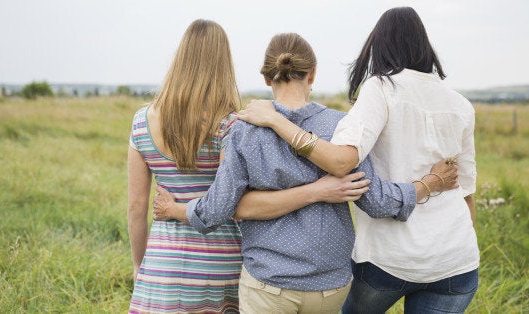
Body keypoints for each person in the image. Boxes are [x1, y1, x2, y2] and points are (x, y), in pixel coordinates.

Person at [153, 32, 459, 314]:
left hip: (267, 283)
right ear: (312, 74)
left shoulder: (243, 129)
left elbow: (218, 209)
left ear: (265, 76)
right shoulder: (342, 126)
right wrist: (428, 184)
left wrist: (175, 209)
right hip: (330, 286)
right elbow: (377, 201)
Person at [239, 7, 479, 313]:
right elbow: (467, 193)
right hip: (456, 261)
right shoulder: (461, 104)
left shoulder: (382, 87)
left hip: (390, 258)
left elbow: (341, 162)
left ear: (378, 46)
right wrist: (454, 243)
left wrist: (277, 121)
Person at [127, 19, 244, 313]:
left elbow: (136, 207)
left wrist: (140, 264)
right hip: (223, 264)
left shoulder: (142, 121)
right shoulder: (229, 124)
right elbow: (233, 202)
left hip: (162, 265)